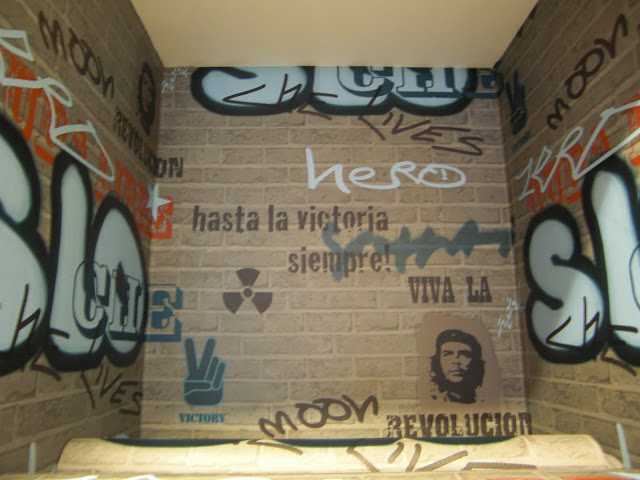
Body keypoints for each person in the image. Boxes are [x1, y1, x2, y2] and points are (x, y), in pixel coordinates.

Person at [428, 329, 484, 404]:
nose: (456, 361)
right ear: (438, 361)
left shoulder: (485, 402)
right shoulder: (432, 402)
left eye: (464, 354)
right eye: (448, 354)